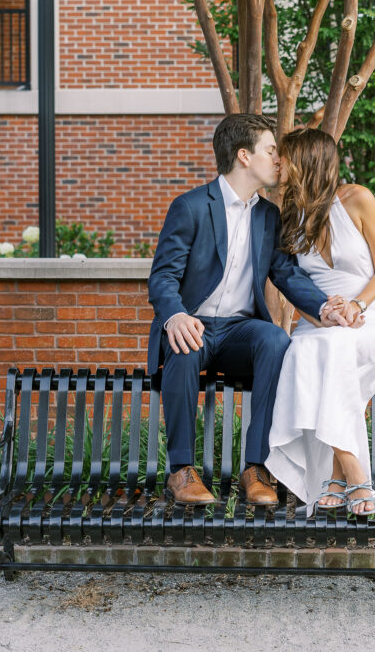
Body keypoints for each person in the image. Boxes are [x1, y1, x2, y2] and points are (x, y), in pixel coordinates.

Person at [147, 114, 359, 506]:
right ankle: (181, 471)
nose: (278, 159)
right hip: (192, 325)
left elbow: (287, 274)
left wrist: (324, 308)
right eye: (270, 150)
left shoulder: (268, 216)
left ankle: (257, 469)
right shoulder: (191, 206)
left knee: (276, 340)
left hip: (239, 332)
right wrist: (175, 314)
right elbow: (162, 277)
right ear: (244, 156)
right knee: (183, 343)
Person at [265, 128, 375, 516]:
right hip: (322, 321)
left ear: (306, 159)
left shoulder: (358, 198)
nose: (278, 163)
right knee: (306, 347)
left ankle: (342, 477)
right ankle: (349, 476)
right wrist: (327, 312)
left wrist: (357, 304)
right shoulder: (290, 216)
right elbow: (292, 280)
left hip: (368, 316)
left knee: (329, 349)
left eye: (285, 156)